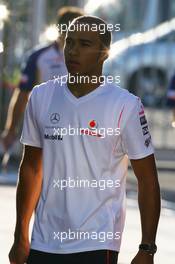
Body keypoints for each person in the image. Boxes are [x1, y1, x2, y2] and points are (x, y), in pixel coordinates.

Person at [9, 16, 160, 264]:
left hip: (98, 243)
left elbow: (148, 180)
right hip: (44, 241)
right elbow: (31, 168)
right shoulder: (41, 96)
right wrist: (20, 235)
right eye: (69, 42)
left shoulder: (125, 105)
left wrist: (147, 248)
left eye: (84, 44)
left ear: (105, 53)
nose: (73, 51)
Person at [0, 6, 84, 151]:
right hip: (46, 127)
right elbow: (22, 94)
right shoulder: (39, 57)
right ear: (61, 30)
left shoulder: (92, 58)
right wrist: (11, 129)